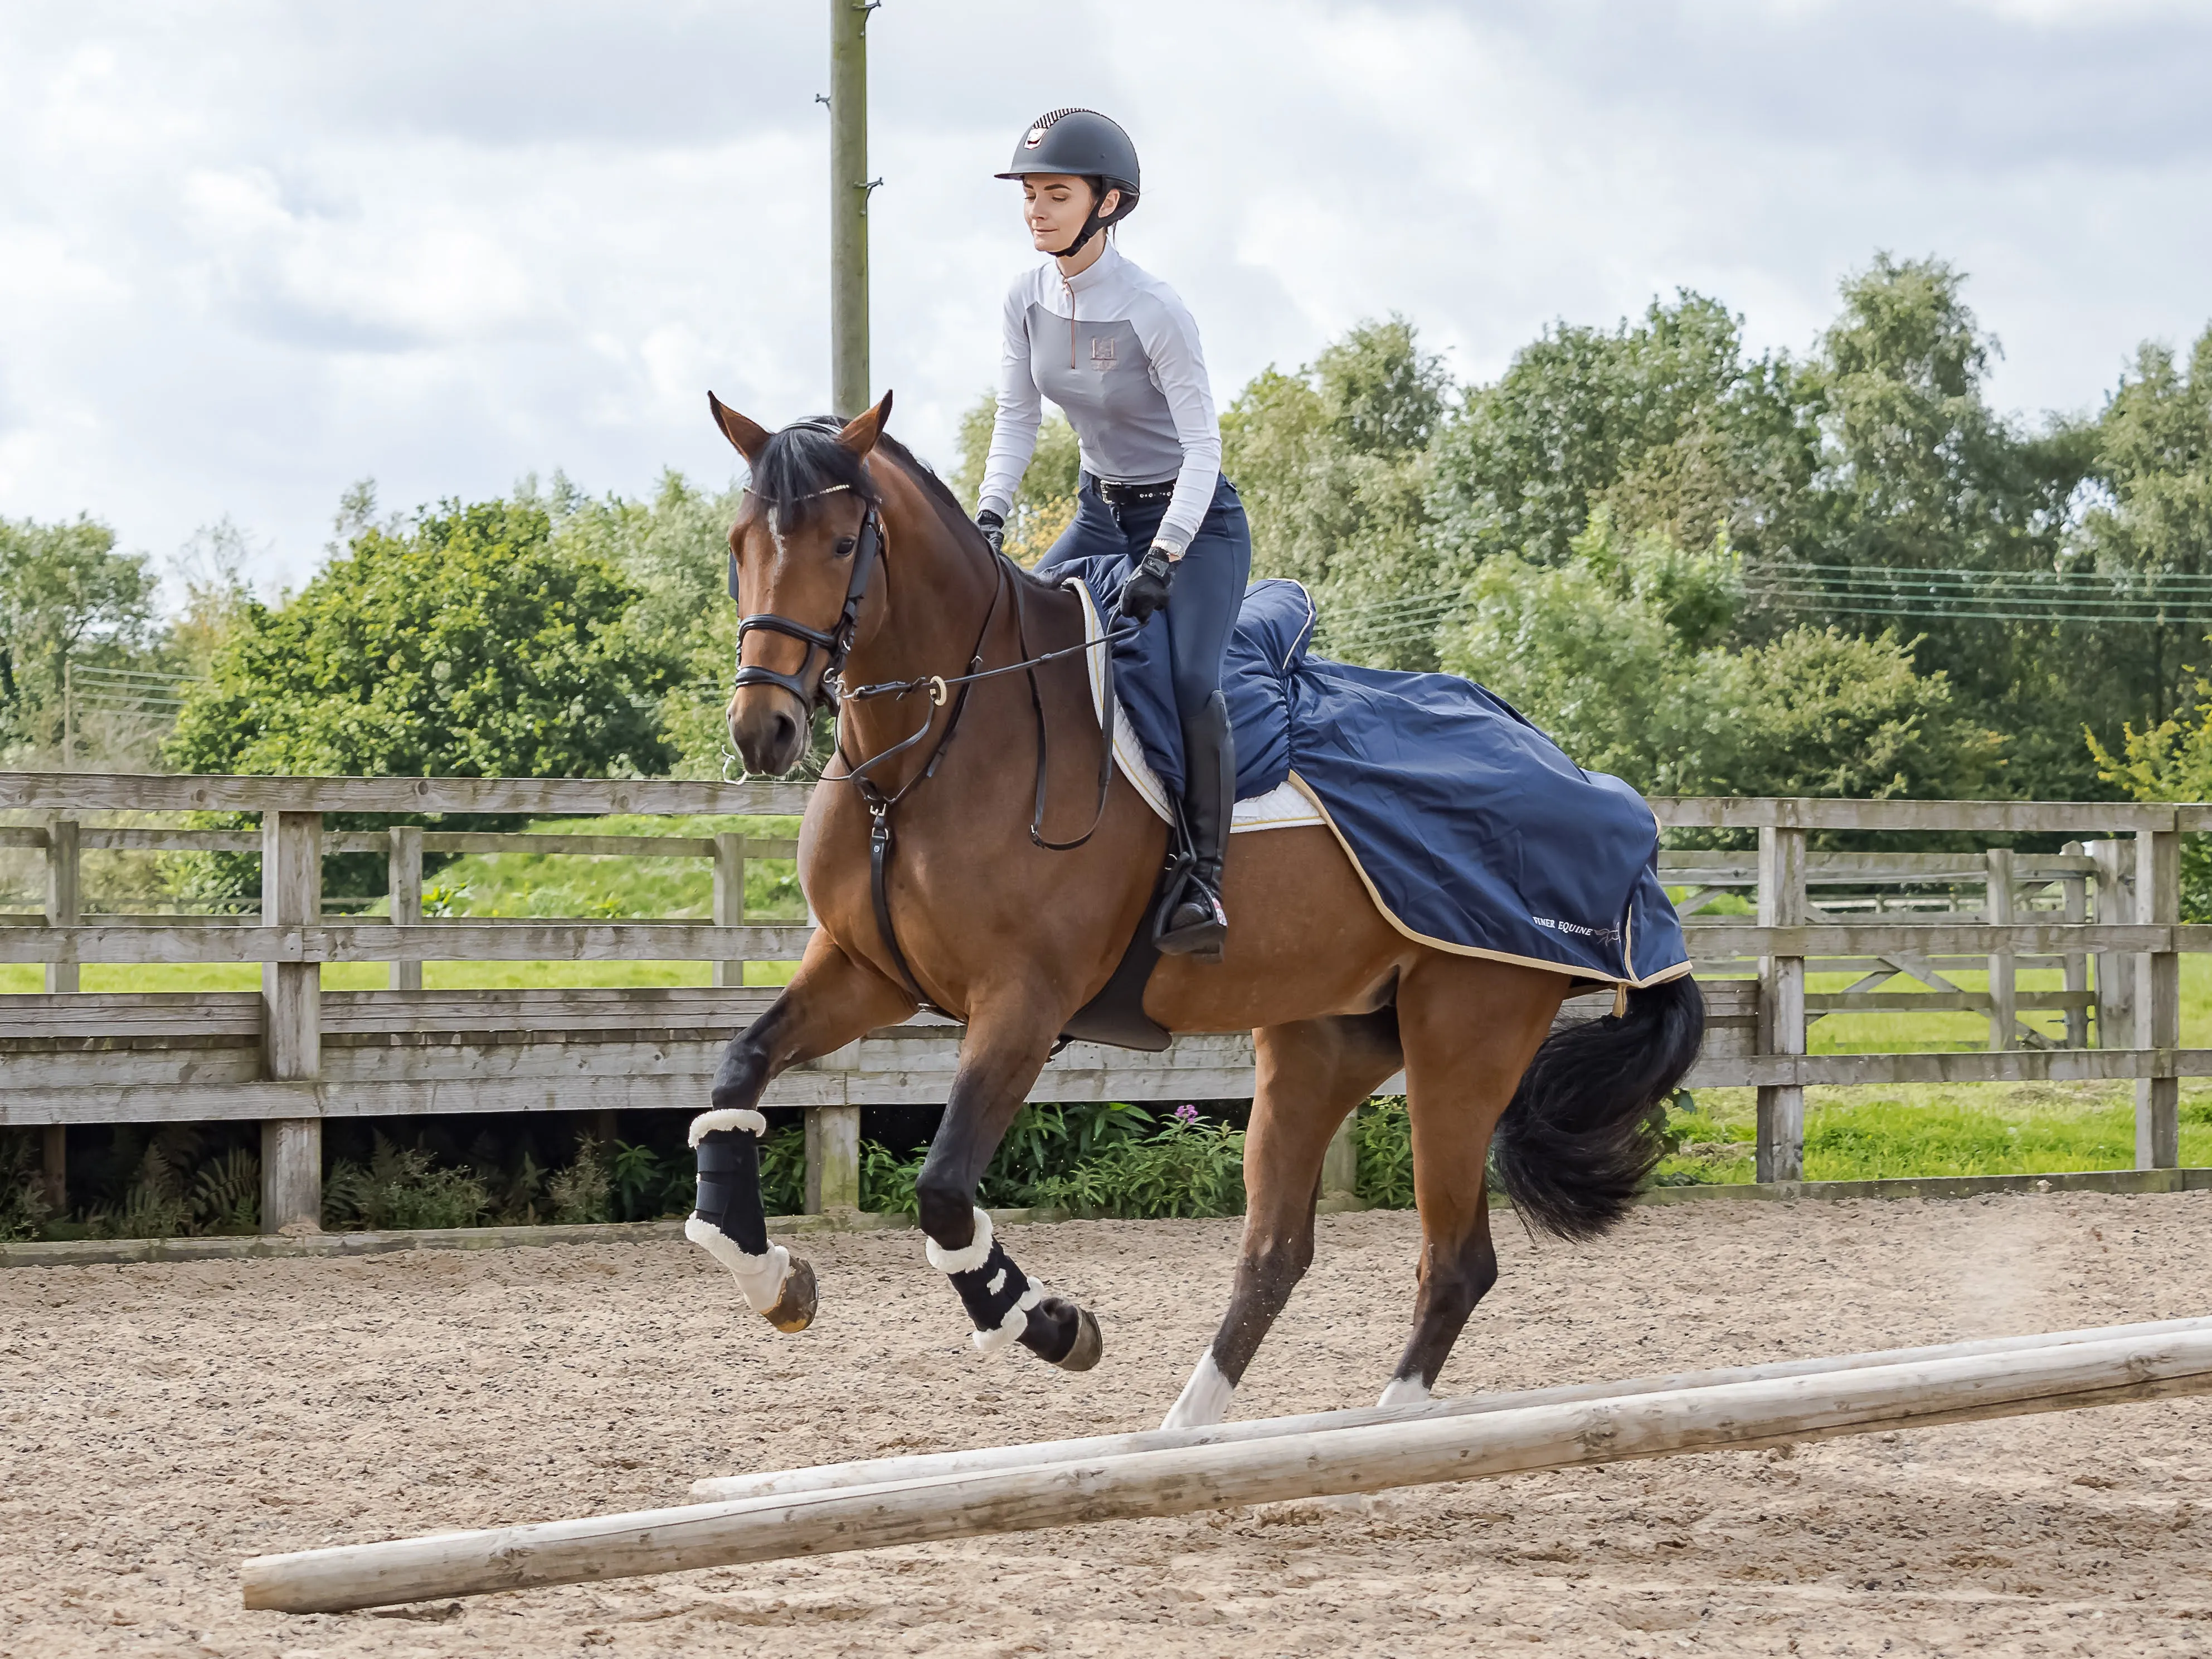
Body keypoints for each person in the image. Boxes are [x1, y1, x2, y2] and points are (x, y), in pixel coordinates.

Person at [974, 108, 1251, 962]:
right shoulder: (1024, 297)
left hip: (1193, 524)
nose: (1036, 211)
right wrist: (989, 514)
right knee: (1007, 640)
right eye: (1028, 196)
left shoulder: (1154, 309)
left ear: (1110, 202)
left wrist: (1165, 555)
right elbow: (1017, 418)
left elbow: (1205, 447)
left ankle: (1203, 879)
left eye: (1055, 194)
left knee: (1188, 679)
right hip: (1098, 508)